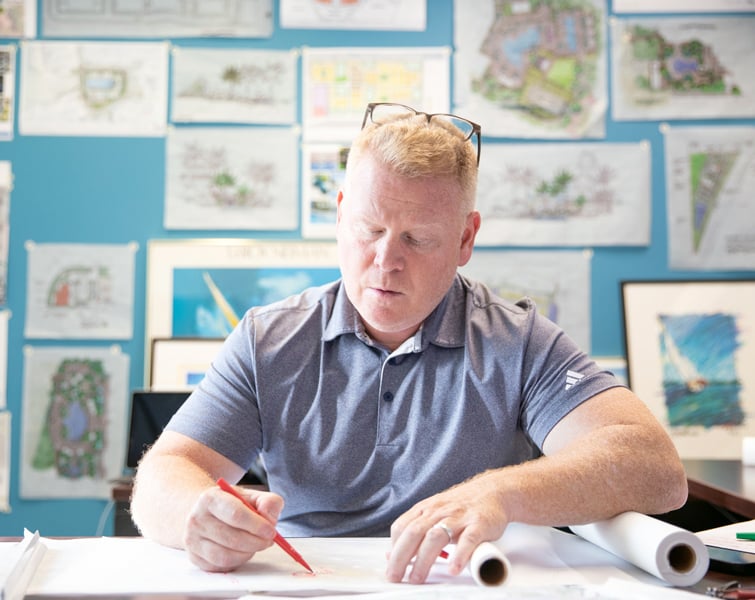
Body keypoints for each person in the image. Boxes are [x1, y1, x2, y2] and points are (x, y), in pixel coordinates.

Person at [130, 102, 687, 585]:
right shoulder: (268, 339)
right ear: (341, 210)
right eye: (369, 229)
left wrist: (502, 494)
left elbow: (656, 468)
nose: (385, 261)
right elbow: (162, 473)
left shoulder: (517, 343)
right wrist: (195, 517)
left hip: (461, 584)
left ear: (466, 238)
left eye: (418, 239)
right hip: (304, 584)